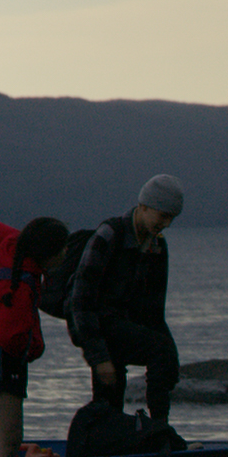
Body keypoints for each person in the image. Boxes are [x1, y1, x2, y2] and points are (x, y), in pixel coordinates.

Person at [66, 174, 182, 420]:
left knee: (163, 354)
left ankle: (154, 433)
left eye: (172, 218)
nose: (167, 223)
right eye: (163, 215)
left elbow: (154, 311)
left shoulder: (157, 246)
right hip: (99, 326)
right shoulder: (109, 234)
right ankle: (155, 428)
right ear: (143, 206)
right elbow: (81, 300)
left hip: (125, 326)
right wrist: (98, 357)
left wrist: (171, 358)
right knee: (109, 395)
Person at [0, 216, 71, 457]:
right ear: (46, 252)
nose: (66, 252)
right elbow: (10, 336)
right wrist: (34, 349)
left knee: (8, 442)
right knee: (5, 445)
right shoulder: (20, 285)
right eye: (61, 248)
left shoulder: (12, 245)